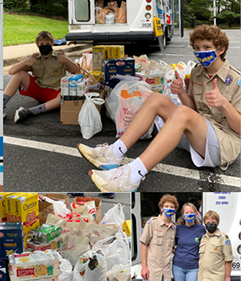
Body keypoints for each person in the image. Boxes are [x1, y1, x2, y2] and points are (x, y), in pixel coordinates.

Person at [79, 25, 240, 192]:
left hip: (222, 144)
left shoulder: (236, 79)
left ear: (221, 49)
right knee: (157, 99)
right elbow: (194, 109)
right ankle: (114, 152)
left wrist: (224, 104)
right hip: (199, 134)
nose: (201, 52)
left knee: (182, 113)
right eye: (197, 48)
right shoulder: (197, 72)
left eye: (207, 47)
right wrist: (181, 94)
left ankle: (132, 176)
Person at [2, 31, 80, 123]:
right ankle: (0, 106)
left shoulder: (60, 56)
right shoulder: (34, 58)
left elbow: (76, 70)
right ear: (37, 46)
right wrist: (25, 62)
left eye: (47, 43)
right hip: (38, 89)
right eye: (41, 44)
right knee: (20, 74)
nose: (45, 45)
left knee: (65, 96)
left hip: (55, 91)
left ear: (52, 44)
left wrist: (66, 60)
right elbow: (12, 71)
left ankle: (29, 112)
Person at [139, 194, 178, 281]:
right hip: (152, 267)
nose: (169, 209)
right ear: (161, 208)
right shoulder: (152, 223)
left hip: (165, 269)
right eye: (166, 206)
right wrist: (144, 266)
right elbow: (144, 244)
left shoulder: (173, 228)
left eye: (172, 207)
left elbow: (171, 248)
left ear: (175, 210)